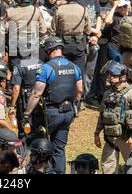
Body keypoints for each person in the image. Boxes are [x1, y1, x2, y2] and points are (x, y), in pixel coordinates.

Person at [23, 36, 82, 174]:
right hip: (68, 113)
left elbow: (37, 93)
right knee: (59, 149)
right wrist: (75, 108)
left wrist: (27, 114)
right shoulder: (74, 67)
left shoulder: (46, 68)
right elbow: (80, 91)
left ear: (50, 50)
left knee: (39, 146)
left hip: (51, 114)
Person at [94, 60, 132, 174]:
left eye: (113, 75)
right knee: (108, 169)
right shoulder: (107, 94)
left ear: (123, 76)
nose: (110, 78)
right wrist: (97, 133)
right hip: (110, 139)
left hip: (127, 139)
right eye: (109, 75)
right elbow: (102, 116)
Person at [49, 0, 93, 73]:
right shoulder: (83, 9)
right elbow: (88, 30)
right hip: (79, 47)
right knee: (78, 75)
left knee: (63, 74)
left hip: (63, 46)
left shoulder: (60, 9)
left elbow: (52, 30)